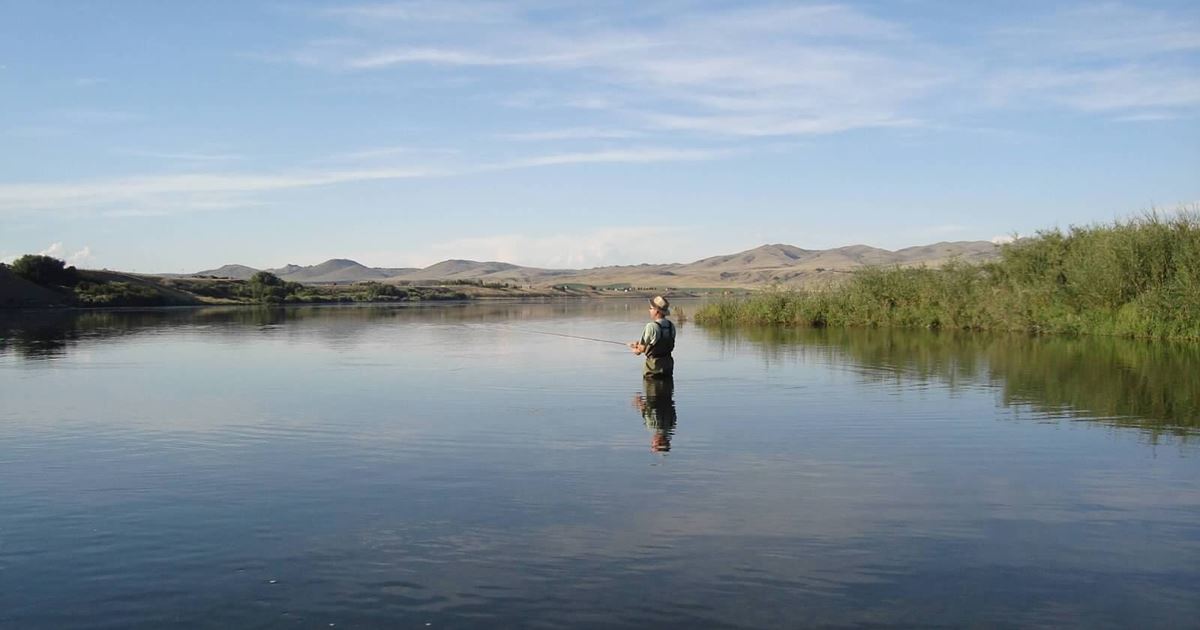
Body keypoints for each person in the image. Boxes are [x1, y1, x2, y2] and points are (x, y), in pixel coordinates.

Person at [629, 295, 675, 378]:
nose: (649, 310)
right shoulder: (671, 326)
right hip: (668, 368)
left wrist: (634, 349)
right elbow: (658, 342)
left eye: (651, 308)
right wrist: (638, 344)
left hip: (653, 370)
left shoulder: (651, 326)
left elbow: (641, 349)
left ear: (656, 311)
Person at [632, 376, 677, 452]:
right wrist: (639, 403)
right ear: (660, 442)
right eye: (653, 444)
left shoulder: (672, 425)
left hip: (667, 387)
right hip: (653, 385)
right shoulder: (653, 426)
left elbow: (672, 407)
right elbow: (649, 408)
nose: (651, 442)